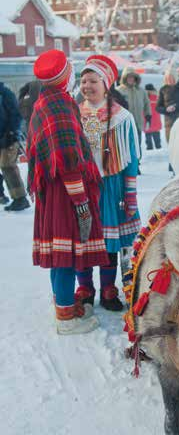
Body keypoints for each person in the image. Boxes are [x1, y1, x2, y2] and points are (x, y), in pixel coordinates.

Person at [27, 49, 109, 335]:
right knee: (64, 254)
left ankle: (62, 303)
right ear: (63, 76)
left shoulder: (43, 102)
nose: (74, 74)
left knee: (59, 252)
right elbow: (67, 160)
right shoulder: (60, 105)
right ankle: (66, 319)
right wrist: (81, 201)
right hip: (65, 193)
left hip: (52, 192)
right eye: (70, 69)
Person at [77, 55, 142, 311]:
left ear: (106, 84)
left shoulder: (121, 117)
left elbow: (131, 159)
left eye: (93, 80)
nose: (87, 86)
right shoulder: (75, 113)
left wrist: (130, 192)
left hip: (110, 187)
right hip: (82, 188)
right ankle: (84, 287)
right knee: (82, 241)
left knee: (108, 244)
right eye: (83, 81)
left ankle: (107, 289)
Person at [0, 82, 30, 211]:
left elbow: (16, 115)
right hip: (3, 136)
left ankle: (20, 199)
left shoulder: (5, 94)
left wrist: (12, 132)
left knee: (8, 166)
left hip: (8, 138)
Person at [116, 66, 151, 155]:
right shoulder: (119, 91)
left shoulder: (141, 91)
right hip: (123, 125)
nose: (131, 79)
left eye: (132, 77)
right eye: (128, 77)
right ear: (124, 78)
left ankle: (137, 165)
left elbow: (147, 104)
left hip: (137, 124)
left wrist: (148, 116)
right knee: (125, 148)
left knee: (137, 147)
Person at [143, 84, 162, 150]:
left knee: (148, 134)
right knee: (156, 134)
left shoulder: (144, 97)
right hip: (156, 119)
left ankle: (149, 147)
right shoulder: (157, 96)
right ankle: (158, 146)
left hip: (147, 118)